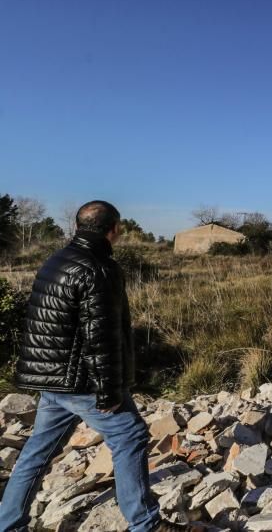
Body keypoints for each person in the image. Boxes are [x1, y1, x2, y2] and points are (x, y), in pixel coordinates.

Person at [0, 201, 184, 532]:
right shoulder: (98, 267)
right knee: (130, 436)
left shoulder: (56, 260)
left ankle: (8, 523)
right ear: (114, 229)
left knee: (37, 451)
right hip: (81, 380)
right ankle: (146, 525)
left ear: (78, 226)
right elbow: (100, 336)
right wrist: (109, 391)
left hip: (52, 379)